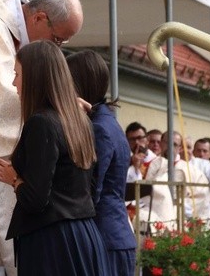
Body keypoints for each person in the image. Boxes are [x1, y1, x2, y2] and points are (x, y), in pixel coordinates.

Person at [0, 0, 84, 275]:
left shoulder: (20, 39)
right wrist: (59, 101)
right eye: (58, 39)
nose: (57, 48)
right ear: (38, 18)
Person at [0, 40, 108, 275]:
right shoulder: (81, 121)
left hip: (52, 242)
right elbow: (87, 188)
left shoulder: (42, 123)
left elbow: (35, 199)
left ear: (35, 78)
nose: (14, 83)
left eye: (18, 74)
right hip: (84, 234)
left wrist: (14, 179)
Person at [66, 50, 136, 276]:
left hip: (105, 236)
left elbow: (89, 190)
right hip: (113, 234)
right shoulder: (107, 121)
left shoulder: (99, 128)